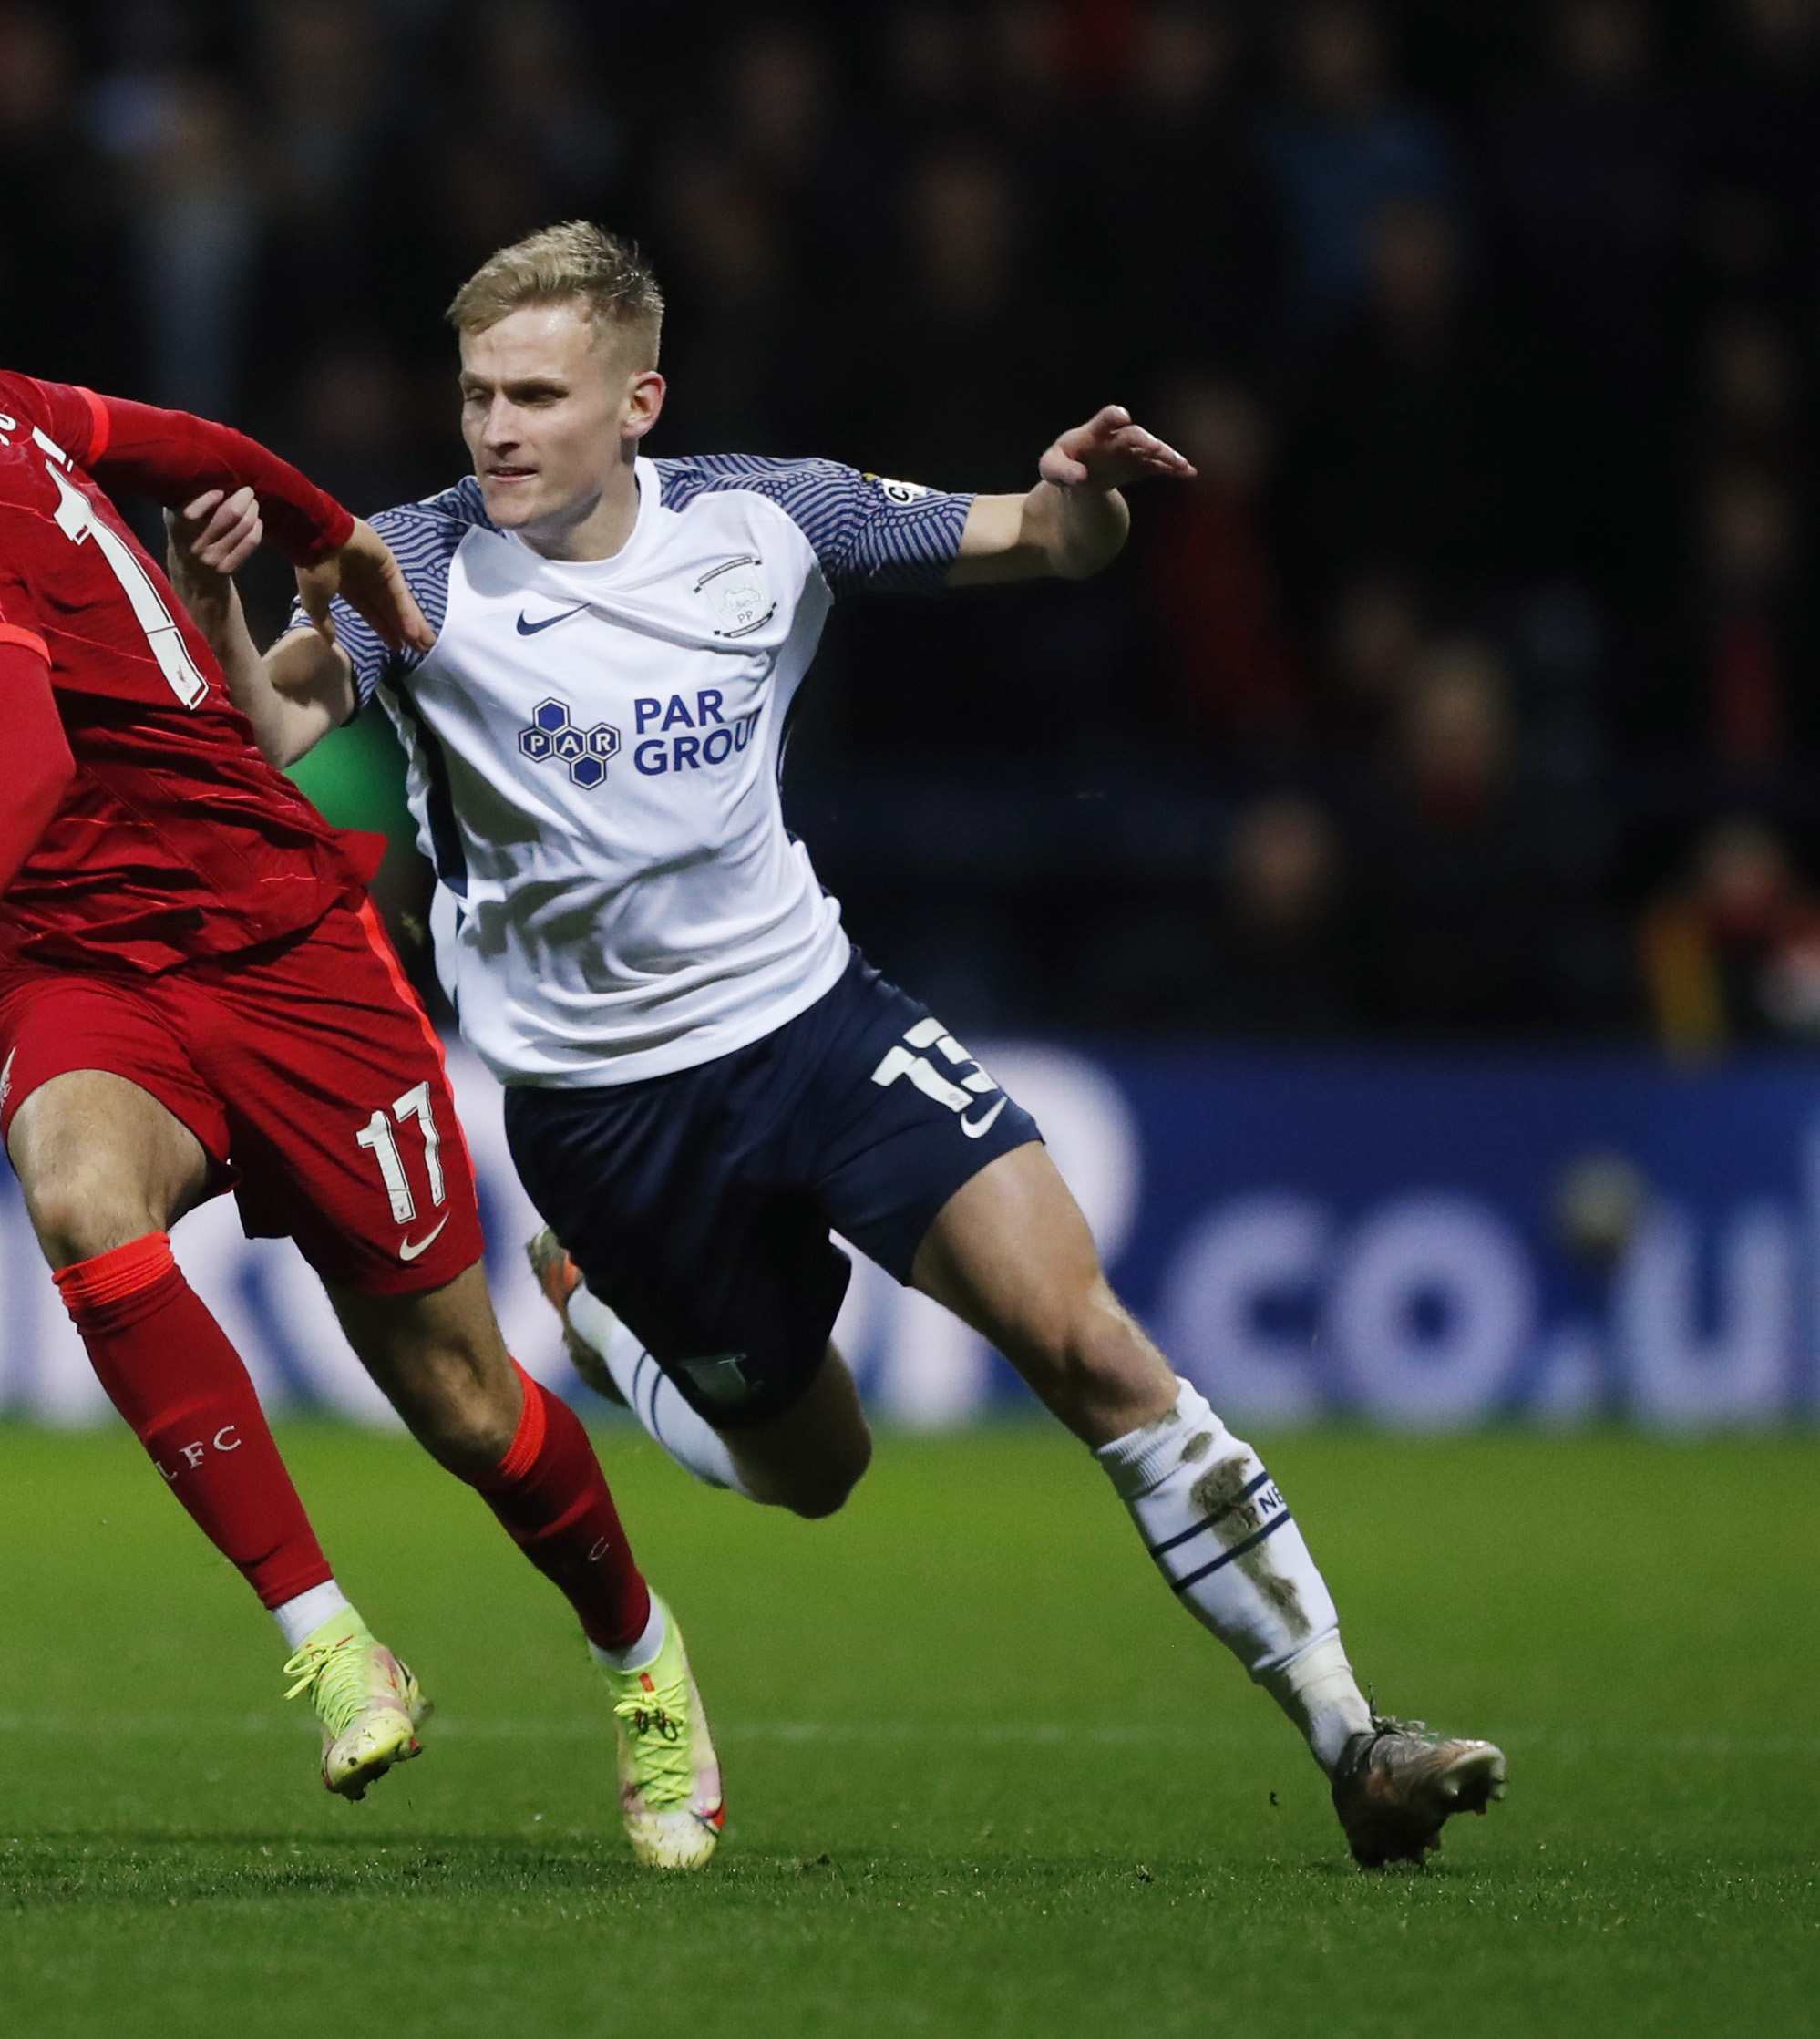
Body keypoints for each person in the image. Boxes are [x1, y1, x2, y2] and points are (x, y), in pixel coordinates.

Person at [166, 220, 1504, 1869]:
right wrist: (210, 594)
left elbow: (1048, 539)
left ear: (638, 402)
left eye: (535, 395)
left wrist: (1080, 491)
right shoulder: (418, 562)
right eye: (476, 395)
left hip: (815, 1024)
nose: (495, 431)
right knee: (816, 1469)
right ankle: (620, 1340)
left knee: (1087, 1342)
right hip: (605, 1115)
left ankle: (1355, 1737)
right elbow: (271, 727)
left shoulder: (770, 515)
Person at [0, 155, 724, 1869]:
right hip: (87, 967)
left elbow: (17, 752)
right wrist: (325, 526)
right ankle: (330, 1641)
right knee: (82, 1192)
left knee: (460, 1401)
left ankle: (640, 1657)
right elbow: (176, 441)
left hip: (284, 951)